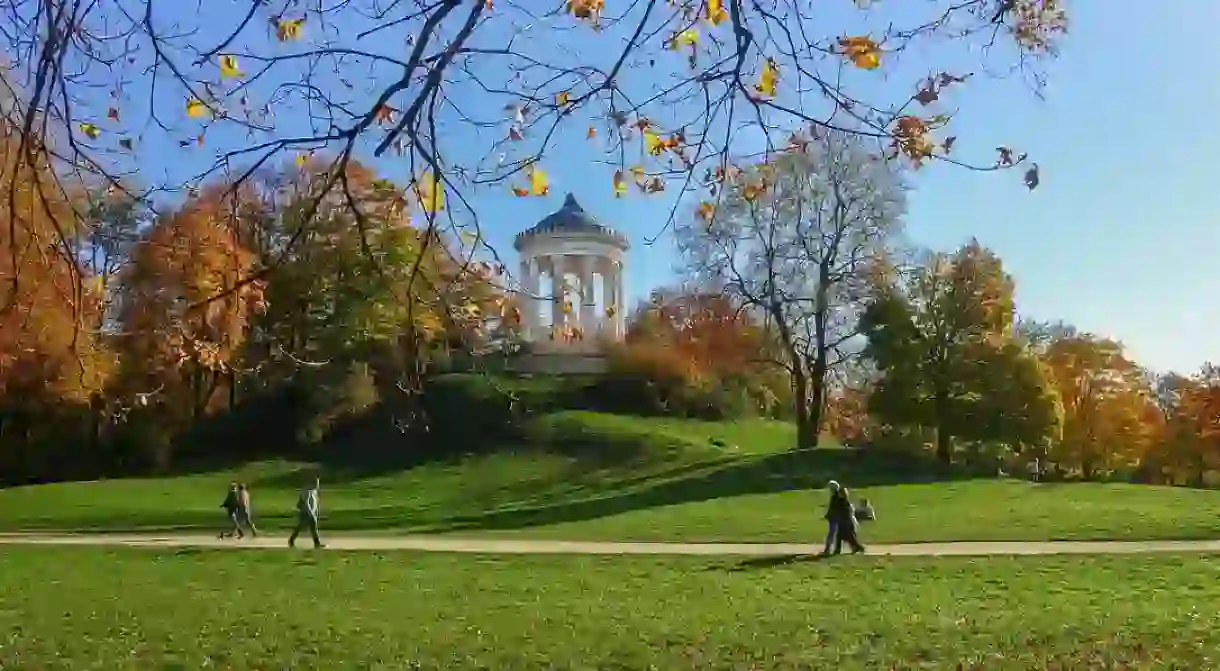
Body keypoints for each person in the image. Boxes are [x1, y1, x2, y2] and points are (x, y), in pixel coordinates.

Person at [289, 477, 325, 549]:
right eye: (316, 483)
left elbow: (315, 503)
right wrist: (310, 511)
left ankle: (317, 543)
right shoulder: (306, 492)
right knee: (302, 526)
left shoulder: (314, 492)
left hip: (311, 512)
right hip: (306, 512)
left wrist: (316, 511)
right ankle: (291, 540)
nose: (317, 485)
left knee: (312, 528)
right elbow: (306, 503)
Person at [831, 487, 866, 555]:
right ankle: (839, 550)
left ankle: (859, 547)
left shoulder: (844, 502)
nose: (838, 494)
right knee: (842, 537)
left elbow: (845, 512)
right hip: (843, 522)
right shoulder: (841, 501)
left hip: (846, 522)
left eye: (840, 493)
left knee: (848, 537)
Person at [821, 480, 842, 555]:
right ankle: (834, 549)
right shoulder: (837, 496)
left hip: (834, 518)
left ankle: (828, 549)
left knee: (832, 534)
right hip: (836, 518)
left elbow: (833, 508)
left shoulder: (835, 497)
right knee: (836, 534)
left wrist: (827, 515)